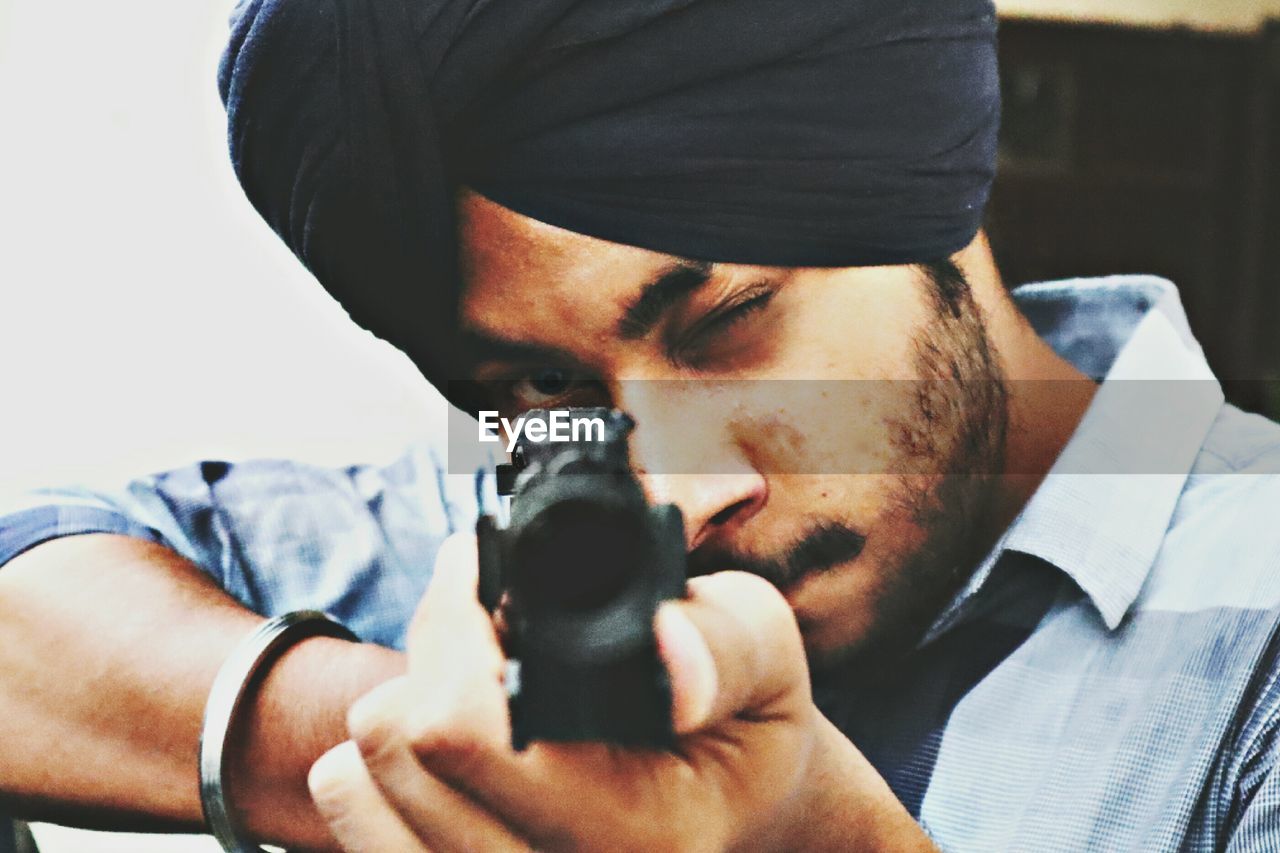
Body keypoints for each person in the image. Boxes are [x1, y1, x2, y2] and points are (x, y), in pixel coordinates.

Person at [2, 0, 1280, 850]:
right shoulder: (528, 530)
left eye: (724, 318)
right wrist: (405, 741)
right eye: (537, 391)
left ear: (923, 191)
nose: (668, 496)